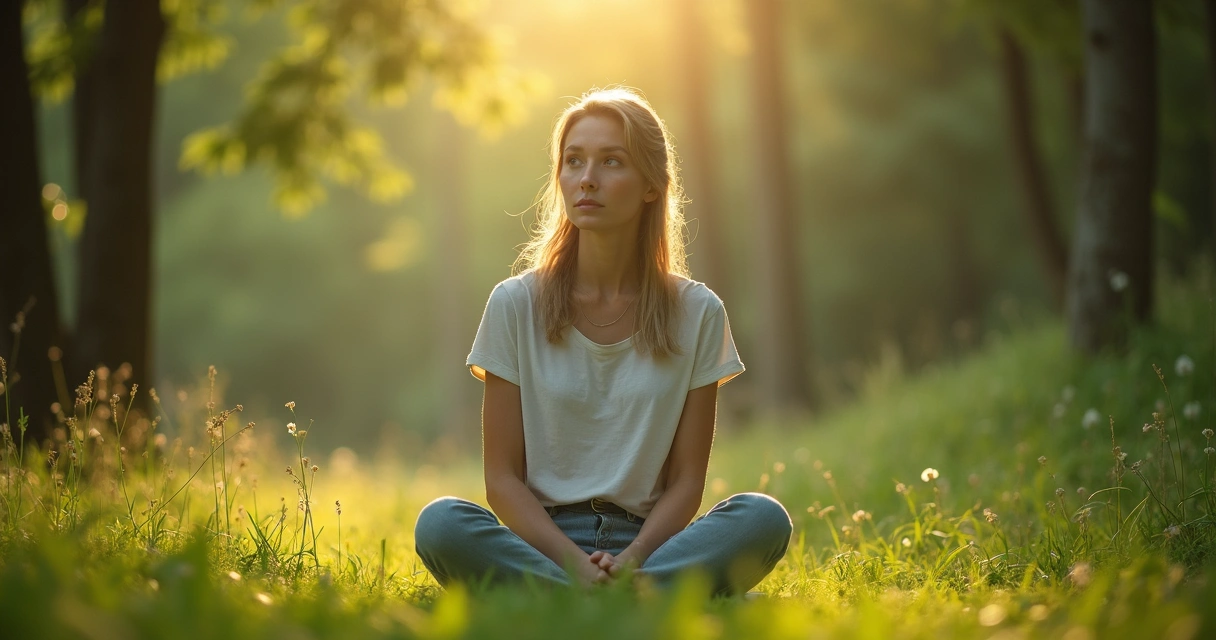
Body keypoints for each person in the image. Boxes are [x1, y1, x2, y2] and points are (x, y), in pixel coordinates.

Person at [414, 87, 791, 596]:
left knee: (762, 517)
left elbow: (685, 484)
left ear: (651, 185)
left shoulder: (699, 312)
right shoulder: (514, 304)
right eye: (573, 161)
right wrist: (573, 563)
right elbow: (502, 479)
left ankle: (593, 595)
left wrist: (633, 559)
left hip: (651, 544)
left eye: (611, 161)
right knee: (440, 524)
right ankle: (639, 598)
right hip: (541, 541)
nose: (587, 178)